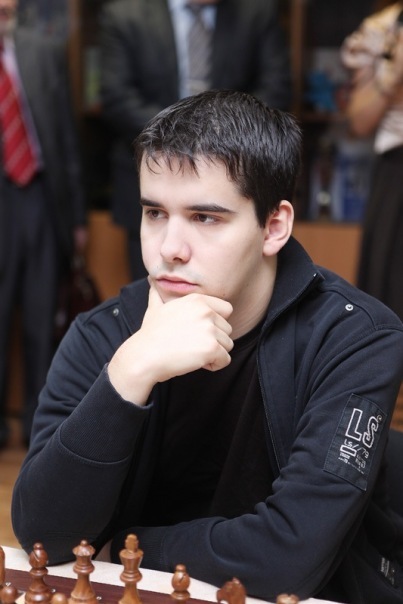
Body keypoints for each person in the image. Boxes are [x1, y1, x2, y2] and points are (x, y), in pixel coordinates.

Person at [12, 90, 403, 603]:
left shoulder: (355, 338)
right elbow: (43, 535)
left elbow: (290, 555)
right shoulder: (104, 333)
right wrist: (129, 372)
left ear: (274, 227)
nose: (169, 248)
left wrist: (123, 549)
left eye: (205, 218)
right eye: (155, 213)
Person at [98, 0, 291, 281]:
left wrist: (217, 141)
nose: (174, 248)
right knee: (152, 291)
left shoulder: (256, 13)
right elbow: (117, 97)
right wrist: (181, 141)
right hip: (150, 177)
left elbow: (275, 90)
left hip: (235, 179)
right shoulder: (125, 14)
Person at [0, 0, 87, 447]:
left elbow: (67, 138)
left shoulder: (40, 51)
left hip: (40, 195)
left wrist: (77, 218)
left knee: (41, 317)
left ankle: (39, 426)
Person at [340, 0, 403, 320]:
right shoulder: (382, 29)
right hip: (397, 171)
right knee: (390, 294)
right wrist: (393, 78)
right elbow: (358, 123)